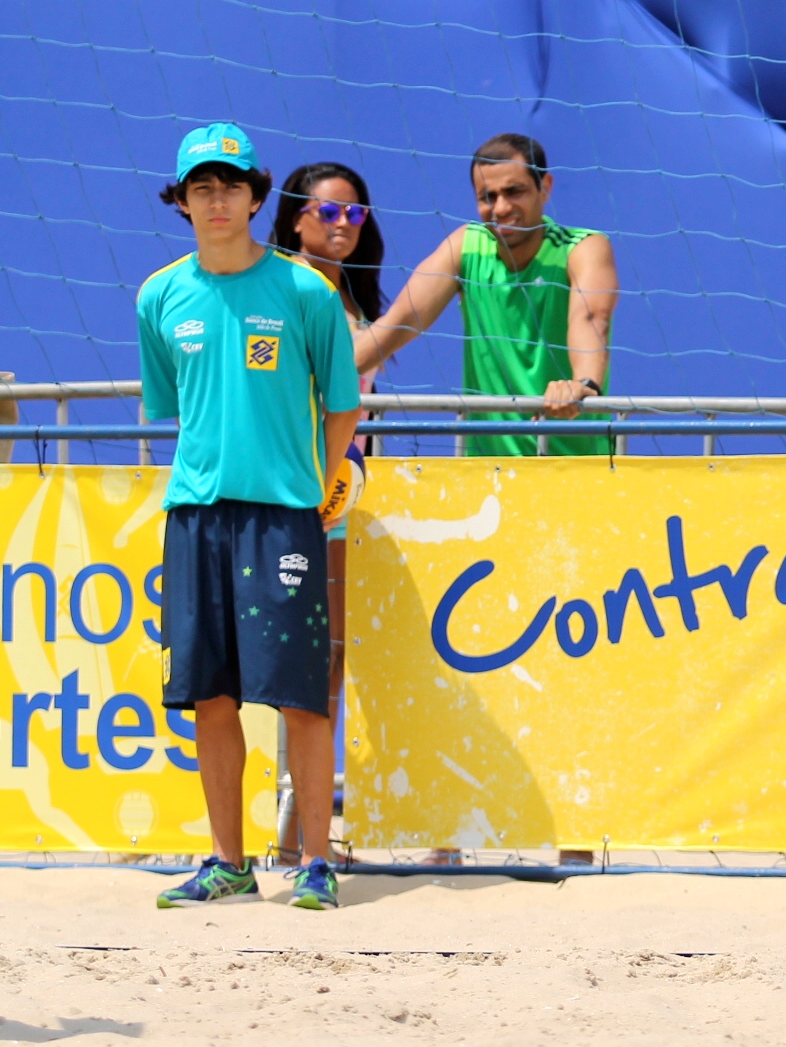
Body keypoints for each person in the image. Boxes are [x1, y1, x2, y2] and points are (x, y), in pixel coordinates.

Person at [137, 122, 362, 911]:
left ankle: (315, 864)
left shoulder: (304, 290)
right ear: (182, 202)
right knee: (211, 697)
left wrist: (320, 488)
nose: (217, 198)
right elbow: (176, 409)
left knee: (301, 695)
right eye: (201, 186)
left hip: (283, 516)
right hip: (197, 515)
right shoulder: (159, 297)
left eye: (231, 184)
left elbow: (342, 407)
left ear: (258, 196)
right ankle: (229, 863)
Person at [354, 132, 619, 457]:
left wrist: (584, 384)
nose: (501, 208)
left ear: (545, 187)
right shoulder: (467, 245)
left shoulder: (583, 247)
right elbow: (398, 323)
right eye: (487, 197)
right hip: (487, 478)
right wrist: (304, 378)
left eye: (514, 191)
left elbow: (592, 319)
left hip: (577, 470)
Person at [269, 163, 384, 738]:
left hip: (339, 499)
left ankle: (298, 808)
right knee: (281, 659)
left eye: (356, 211)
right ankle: (282, 814)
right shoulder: (279, 293)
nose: (345, 222)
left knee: (331, 656)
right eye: (330, 211)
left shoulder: (356, 304)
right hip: (288, 495)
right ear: (295, 221)